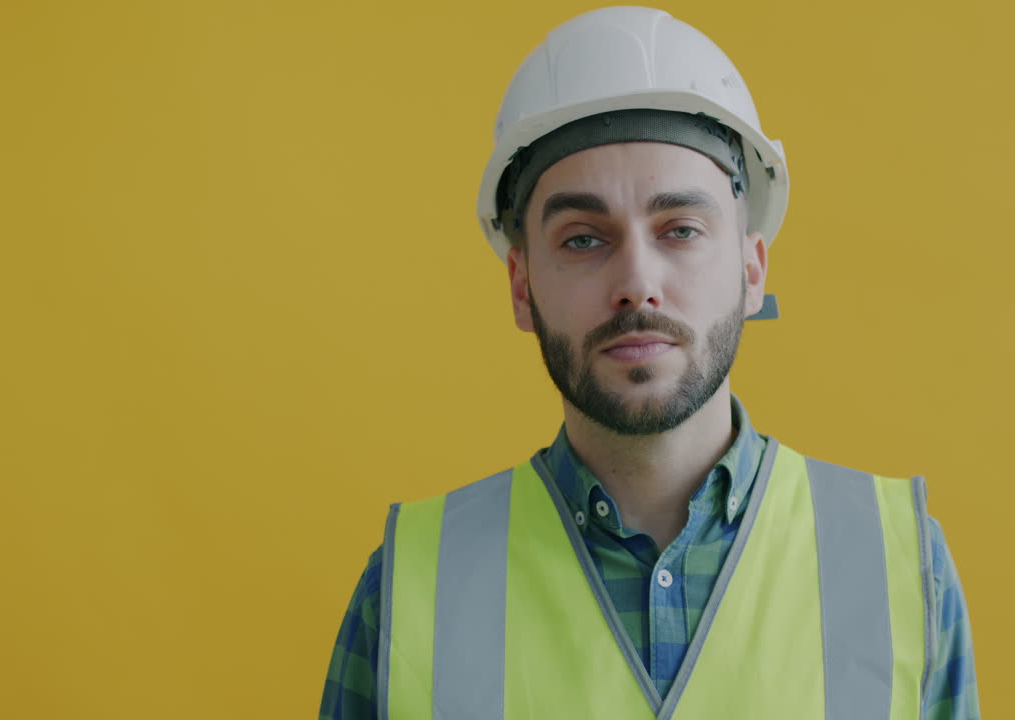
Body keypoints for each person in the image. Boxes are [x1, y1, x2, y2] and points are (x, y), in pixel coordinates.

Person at [320, 6, 979, 719]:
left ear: (751, 271)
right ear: (521, 286)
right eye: (583, 239)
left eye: (681, 230)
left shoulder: (898, 569)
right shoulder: (411, 587)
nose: (637, 282)